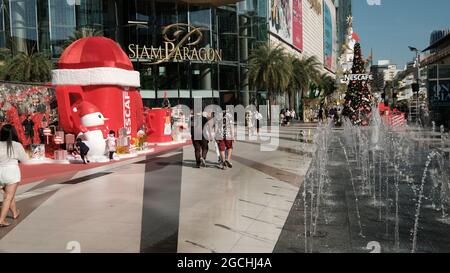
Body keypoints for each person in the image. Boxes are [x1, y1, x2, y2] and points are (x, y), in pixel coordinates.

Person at [0, 124, 29, 227]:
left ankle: (15, 212)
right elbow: (25, 160)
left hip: (0, 171)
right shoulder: (16, 145)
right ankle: (1, 220)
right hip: (11, 172)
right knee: (8, 196)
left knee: (9, 195)